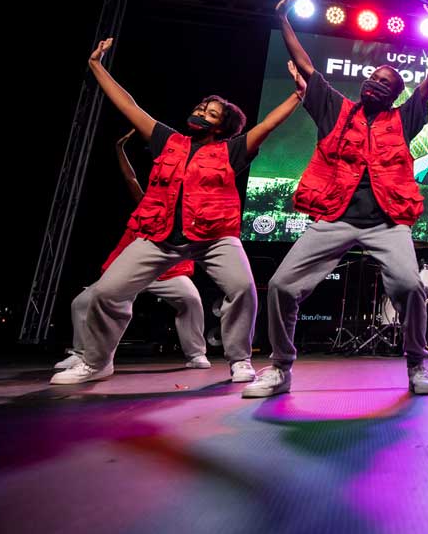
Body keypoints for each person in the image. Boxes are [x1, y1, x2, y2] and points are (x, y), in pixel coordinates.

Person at [51, 39, 304, 385]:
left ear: (221, 126)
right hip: (159, 238)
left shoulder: (231, 150)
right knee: (105, 293)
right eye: (201, 107)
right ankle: (96, 361)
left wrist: (298, 95)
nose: (201, 112)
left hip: (215, 238)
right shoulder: (167, 140)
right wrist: (96, 66)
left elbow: (267, 126)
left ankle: (239, 359)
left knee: (243, 287)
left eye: (210, 113)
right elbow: (129, 105)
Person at [243, 0, 428, 399]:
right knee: (283, 285)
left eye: (386, 83)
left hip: (386, 222)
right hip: (335, 217)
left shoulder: (404, 118)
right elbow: (306, 65)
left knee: (411, 287)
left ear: (395, 95)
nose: (376, 83)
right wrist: (283, 18)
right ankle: (281, 367)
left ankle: (417, 364)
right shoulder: (334, 109)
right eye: (374, 78)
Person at [54, 129, 209, 371]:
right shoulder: (145, 206)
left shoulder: (174, 214)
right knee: (81, 303)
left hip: (163, 273)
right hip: (130, 270)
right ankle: (82, 353)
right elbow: (131, 179)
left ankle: (196, 354)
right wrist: (119, 150)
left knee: (190, 299)